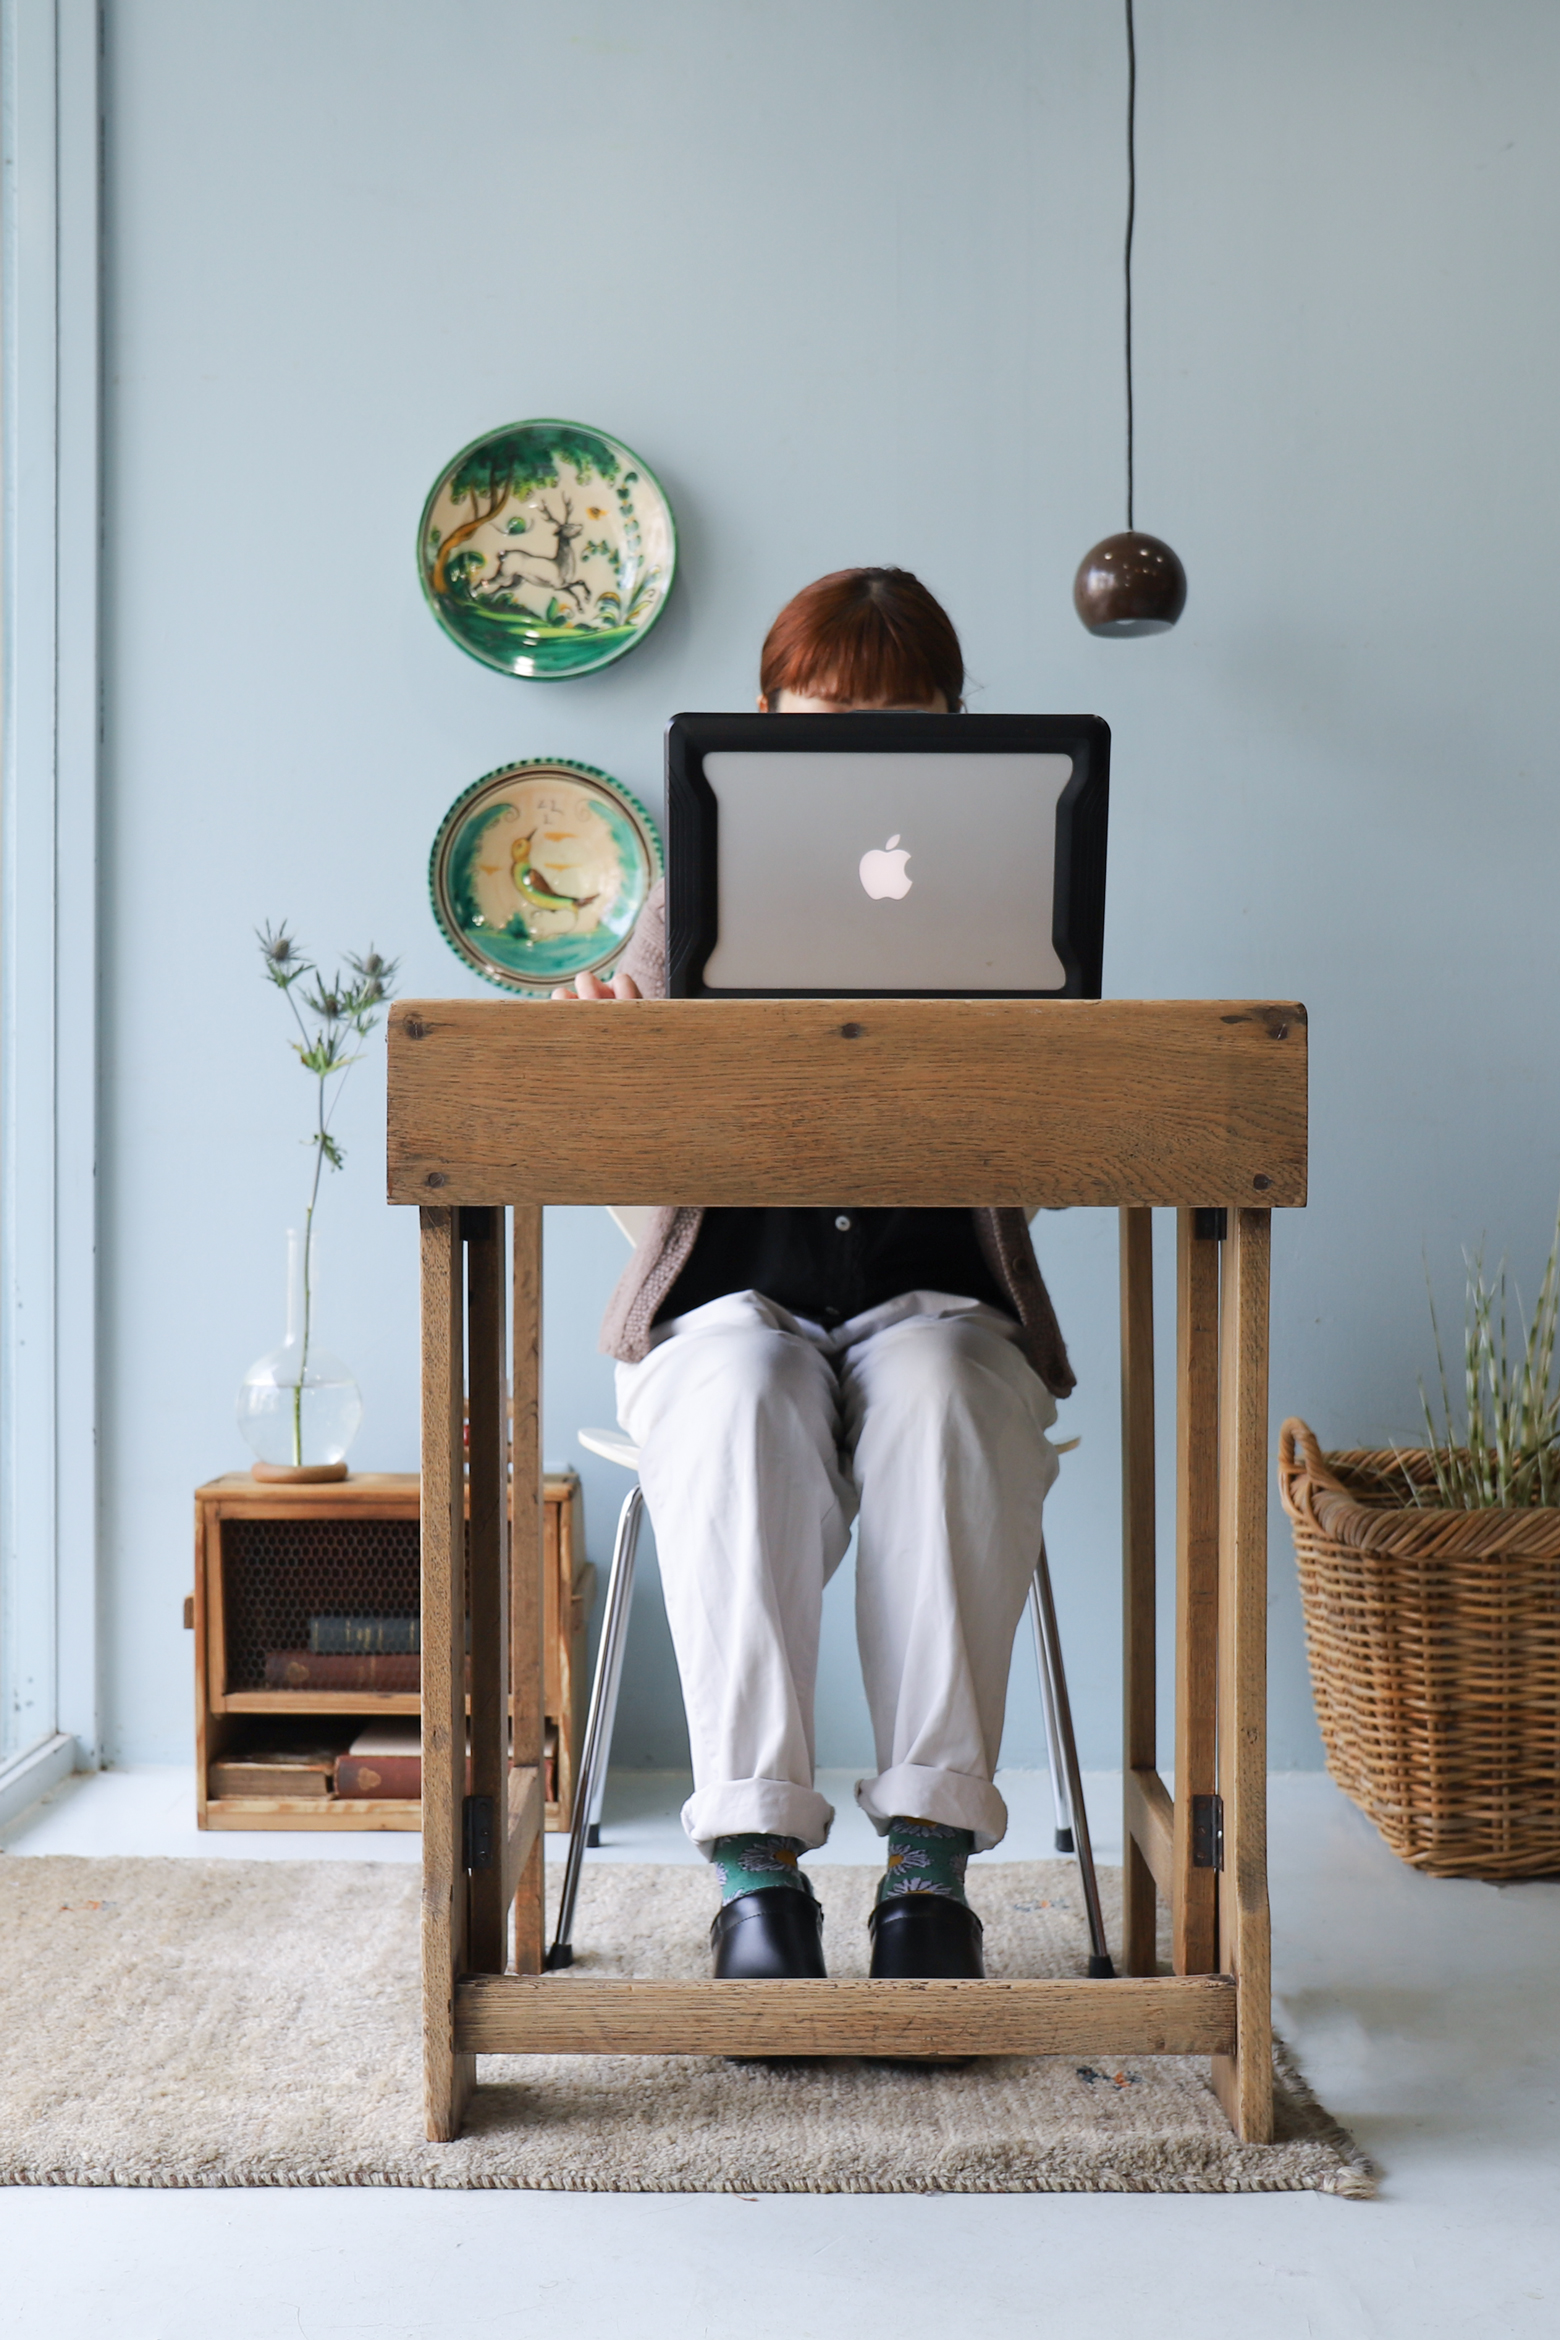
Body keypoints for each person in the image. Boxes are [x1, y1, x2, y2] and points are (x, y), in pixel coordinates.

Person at [554, 567, 1074, 1984]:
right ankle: (755, 1876)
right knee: (734, 1385)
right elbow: (639, 1209)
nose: (853, 743)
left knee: (952, 1385)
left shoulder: (1009, 883)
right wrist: (619, 1079)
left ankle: (928, 1874)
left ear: (955, 726)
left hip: (936, 1299)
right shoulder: (689, 888)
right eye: (823, 712)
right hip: (730, 1305)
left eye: (897, 718)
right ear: (767, 713)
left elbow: (1055, 1127)